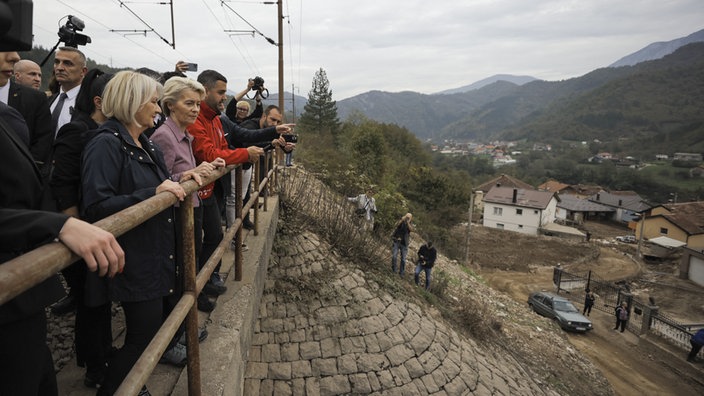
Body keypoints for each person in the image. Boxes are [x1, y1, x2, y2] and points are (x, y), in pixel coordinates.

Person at [80, 70, 202, 396]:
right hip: (134, 258)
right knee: (142, 335)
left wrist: (183, 178)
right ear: (132, 102)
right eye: (151, 100)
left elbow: (160, 186)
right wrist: (152, 194)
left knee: (152, 328)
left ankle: (134, 384)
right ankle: (118, 387)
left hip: (156, 253)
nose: (157, 106)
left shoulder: (145, 144)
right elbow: (95, 207)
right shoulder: (106, 144)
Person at [0, 100, 125, 396]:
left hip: (23, 300)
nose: (13, 58)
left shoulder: (9, 114)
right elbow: (64, 183)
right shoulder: (96, 138)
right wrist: (59, 223)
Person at [189, 70, 291, 295]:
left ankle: (210, 278)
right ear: (205, 91)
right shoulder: (198, 120)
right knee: (196, 246)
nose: (225, 97)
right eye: (221, 92)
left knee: (215, 236)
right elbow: (210, 153)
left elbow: (231, 144)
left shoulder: (217, 119)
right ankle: (199, 289)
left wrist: (274, 131)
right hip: (196, 194)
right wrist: (244, 155)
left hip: (210, 191)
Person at [50, 69, 117, 388]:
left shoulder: (108, 130)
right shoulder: (75, 131)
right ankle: (95, 364)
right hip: (80, 229)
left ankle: (100, 352)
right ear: (100, 100)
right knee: (90, 299)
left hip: (95, 227)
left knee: (100, 298)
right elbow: (62, 183)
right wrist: (75, 227)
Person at [150, 76, 225, 314]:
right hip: (177, 213)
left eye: (197, 104)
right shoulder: (165, 136)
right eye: (189, 104)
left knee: (191, 258)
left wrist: (202, 169)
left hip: (190, 207)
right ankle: (182, 319)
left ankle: (191, 303)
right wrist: (188, 174)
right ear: (170, 104)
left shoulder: (183, 134)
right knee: (182, 265)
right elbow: (157, 181)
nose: (195, 110)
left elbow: (181, 173)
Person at [229, 104, 289, 233]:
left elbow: (273, 142)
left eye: (278, 121)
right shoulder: (250, 126)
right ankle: (233, 232)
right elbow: (249, 144)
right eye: (272, 120)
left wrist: (285, 147)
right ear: (264, 116)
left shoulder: (267, 128)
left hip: (245, 166)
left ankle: (242, 223)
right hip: (233, 166)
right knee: (232, 200)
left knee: (244, 196)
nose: (275, 124)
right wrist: (271, 144)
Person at [0, 52, 53, 175]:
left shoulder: (37, 98)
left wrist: (27, 168)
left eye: (39, 75)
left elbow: (43, 138)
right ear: (17, 75)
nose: (37, 79)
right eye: (32, 74)